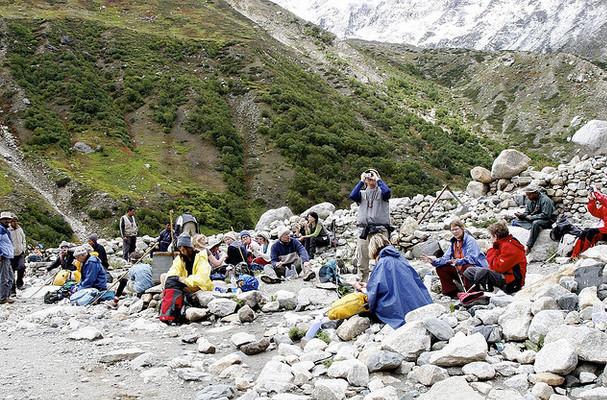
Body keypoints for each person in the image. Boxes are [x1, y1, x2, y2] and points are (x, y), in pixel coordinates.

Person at [354, 234, 431, 328]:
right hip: (419, 303)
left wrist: (361, 288)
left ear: (373, 249)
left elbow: (375, 292)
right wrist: (367, 285)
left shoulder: (383, 262)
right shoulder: (400, 258)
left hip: (399, 308)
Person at [422, 219, 488, 299]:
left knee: (466, 266)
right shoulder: (454, 243)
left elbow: (472, 259)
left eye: (456, 229)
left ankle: (472, 292)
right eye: (452, 230)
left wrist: (458, 261)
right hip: (461, 270)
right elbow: (445, 258)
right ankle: (452, 293)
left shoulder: (470, 241)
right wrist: (434, 261)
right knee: (441, 268)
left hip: (477, 271)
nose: (454, 232)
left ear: (462, 229)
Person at [349, 168, 392, 282]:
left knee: (383, 257)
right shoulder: (362, 194)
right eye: (368, 177)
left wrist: (378, 180)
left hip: (380, 230)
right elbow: (352, 196)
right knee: (362, 258)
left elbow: (387, 192)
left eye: (373, 176)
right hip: (364, 231)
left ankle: (384, 282)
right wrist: (361, 181)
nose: (370, 178)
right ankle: (363, 283)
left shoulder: (382, 193)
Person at [464, 221, 527, 294]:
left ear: (495, 236)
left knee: (484, 273)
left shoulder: (510, 247)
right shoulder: (501, 244)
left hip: (513, 283)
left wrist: (490, 250)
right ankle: (471, 293)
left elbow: (497, 268)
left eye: (491, 236)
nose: (490, 239)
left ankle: (487, 294)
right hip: (505, 276)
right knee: (469, 271)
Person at [512, 185, 557, 254]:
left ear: (535, 193)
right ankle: (534, 228)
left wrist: (529, 217)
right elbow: (527, 212)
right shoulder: (530, 200)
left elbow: (546, 215)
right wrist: (522, 216)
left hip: (548, 220)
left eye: (529, 195)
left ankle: (529, 246)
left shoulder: (545, 200)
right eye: (527, 195)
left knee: (536, 223)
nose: (528, 197)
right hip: (534, 219)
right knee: (515, 221)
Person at [571, 189, 607, 258]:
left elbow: (603, 200)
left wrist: (596, 193)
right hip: (605, 230)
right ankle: (574, 255)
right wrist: (592, 200)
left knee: (591, 232)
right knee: (585, 232)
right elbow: (594, 212)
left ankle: (584, 254)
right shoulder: (605, 207)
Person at [0, 212, 15, 304]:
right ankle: (2, 298)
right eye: (5, 219)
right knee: (4, 278)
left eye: (8, 219)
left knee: (10, 277)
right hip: (3, 257)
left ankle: (6, 296)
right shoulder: (1, 230)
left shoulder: (6, 230)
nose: (7, 221)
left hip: (7, 257)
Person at [9, 215, 26, 292]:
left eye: (15, 221)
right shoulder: (8, 230)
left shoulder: (20, 229)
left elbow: (23, 239)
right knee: (11, 272)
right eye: (12, 221)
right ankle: (12, 290)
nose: (14, 222)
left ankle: (19, 283)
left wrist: (23, 249)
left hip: (20, 253)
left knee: (22, 267)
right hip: (11, 254)